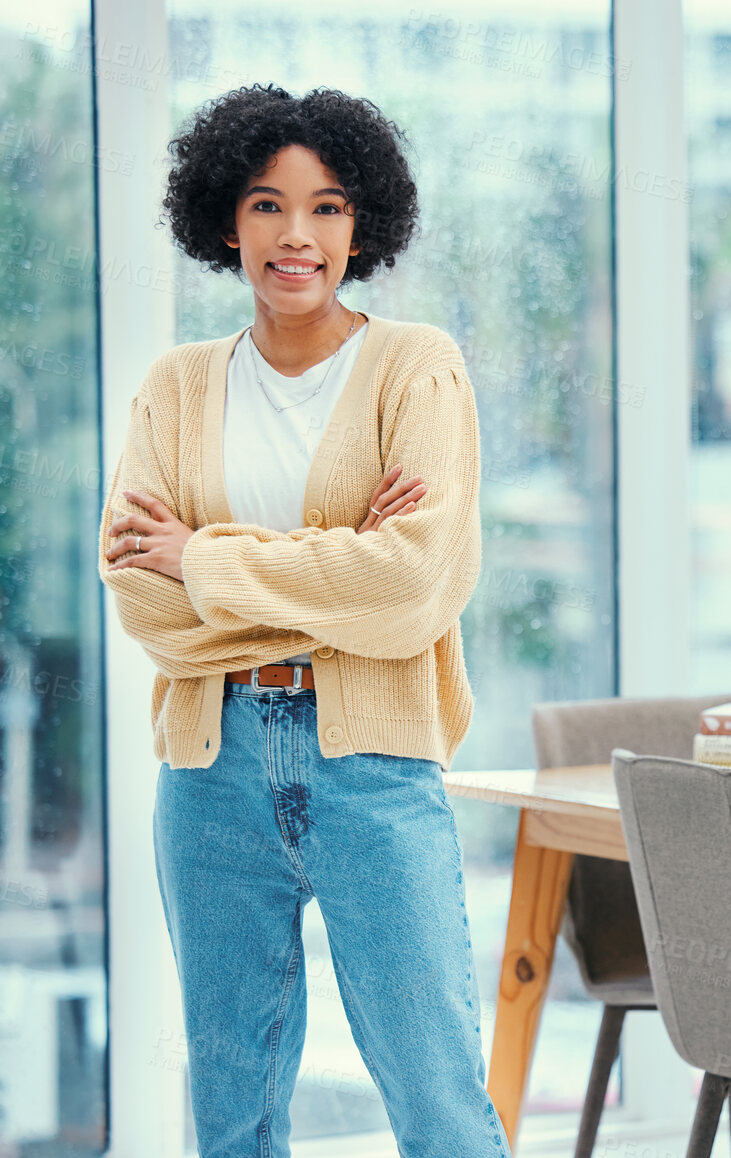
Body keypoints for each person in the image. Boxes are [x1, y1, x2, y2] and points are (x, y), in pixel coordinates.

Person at [95, 84, 507, 1157]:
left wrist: (207, 558)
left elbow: (415, 585)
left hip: (371, 763)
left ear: (360, 224)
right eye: (268, 204)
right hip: (209, 768)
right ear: (224, 220)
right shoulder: (177, 388)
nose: (296, 235)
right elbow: (142, 596)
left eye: (326, 207)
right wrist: (331, 583)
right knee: (230, 1111)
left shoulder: (415, 367)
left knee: (438, 1098)